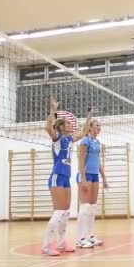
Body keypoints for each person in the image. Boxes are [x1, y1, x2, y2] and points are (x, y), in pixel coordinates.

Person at [42, 98, 92, 256]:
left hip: (66, 178)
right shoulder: (58, 139)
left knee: (65, 212)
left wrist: (89, 117)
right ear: (62, 127)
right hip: (57, 176)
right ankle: (46, 245)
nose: (72, 125)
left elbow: (83, 132)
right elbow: (48, 128)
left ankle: (62, 242)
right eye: (69, 124)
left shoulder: (70, 140)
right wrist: (52, 110)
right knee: (58, 212)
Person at [76, 119, 108, 248]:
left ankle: (90, 236)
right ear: (89, 128)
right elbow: (81, 160)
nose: (99, 128)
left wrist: (104, 177)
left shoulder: (97, 142)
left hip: (94, 175)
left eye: (100, 126)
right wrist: (83, 179)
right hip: (86, 175)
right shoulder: (85, 141)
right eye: (96, 126)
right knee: (85, 207)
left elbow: (98, 161)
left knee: (92, 207)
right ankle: (80, 238)